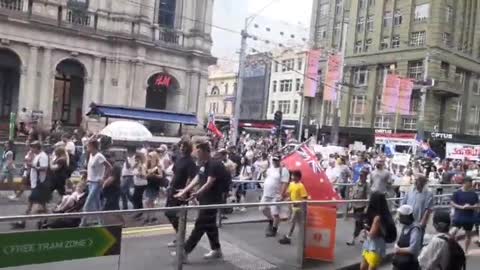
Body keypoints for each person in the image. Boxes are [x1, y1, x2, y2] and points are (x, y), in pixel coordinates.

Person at [174, 142, 230, 262]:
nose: (196, 154)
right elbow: (198, 178)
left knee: (200, 225)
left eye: (198, 152)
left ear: (205, 151)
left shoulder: (215, 164)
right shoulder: (204, 164)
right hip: (206, 199)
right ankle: (217, 249)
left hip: (213, 199)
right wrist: (185, 190)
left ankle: (184, 251)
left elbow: (210, 182)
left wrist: (197, 193)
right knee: (210, 225)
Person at [165, 140, 197, 247]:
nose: (182, 148)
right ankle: (179, 236)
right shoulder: (179, 159)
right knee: (168, 213)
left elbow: (190, 178)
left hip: (181, 192)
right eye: (181, 146)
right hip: (173, 189)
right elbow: (174, 173)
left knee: (176, 214)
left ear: (189, 148)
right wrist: (169, 185)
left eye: (184, 146)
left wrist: (185, 191)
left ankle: (180, 237)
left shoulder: (190, 162)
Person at [79, 139, 111, 227]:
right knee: (97, 204)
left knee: (88, 203)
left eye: (88, 146)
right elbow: (92, 168)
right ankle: (101, 223)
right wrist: (85, 172)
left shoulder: (99, 156)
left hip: (97, 183)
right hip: (90, 182)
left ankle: (83, 223)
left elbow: (109, 167)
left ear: (93, 146)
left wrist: (103, 178)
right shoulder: (90, 155)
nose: (87, 148)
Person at [361, 192, 394, 270]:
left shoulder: (377, 218)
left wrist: (365, 232)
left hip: (373, 246)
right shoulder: (384, 214)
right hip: (376, 245)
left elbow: (372, 234)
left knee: (365, 267)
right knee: (367, 267)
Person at [260, 155, 290, 237]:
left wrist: (281, 194)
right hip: (266, 193)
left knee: (275, 212)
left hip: (275, 195)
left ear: (279, 160)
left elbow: (285, 183)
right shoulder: (270, 169)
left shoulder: (283, 170)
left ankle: (274, 229)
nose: (274, 161)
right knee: (262, 209)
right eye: (273, 160)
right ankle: (271, 220)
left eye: (276, 160)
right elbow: (267, 177)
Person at [450, 176, 479, 254]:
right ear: (465, 182)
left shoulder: (474, 194)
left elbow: (477, 206)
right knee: (452, 233)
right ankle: (451, 248)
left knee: (468, 235)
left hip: (469, 217)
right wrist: (461, 207)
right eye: (469, 182)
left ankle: (465, 251)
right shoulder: (457, 193)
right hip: (458, 216)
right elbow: (452, 203)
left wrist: (470, 207)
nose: (471, 184)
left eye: (471, 182)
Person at [278, 170, 308, 245]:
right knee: (296, 223)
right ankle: (303, 237)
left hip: (298, 208)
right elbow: (288, 193)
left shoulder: (301, 186)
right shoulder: (291, 184)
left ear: (298, 177)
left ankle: (288, 237)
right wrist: (283, 197)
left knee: (293, 222)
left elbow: (304, 197)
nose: (292, 177)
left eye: (293, 176)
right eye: (292, 176)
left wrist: (298, 204)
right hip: (292, 206)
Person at [392, 205, 422, 270]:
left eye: (401, 215)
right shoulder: (404, 226)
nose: (398, 217)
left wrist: (398, 250)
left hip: (409, 265)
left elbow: (413, 249)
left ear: (406, 217)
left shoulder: (415, 229)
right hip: (400, 262)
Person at [347, 168, 370, 246]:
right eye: (360, 175)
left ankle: (353, 239)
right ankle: (366, 237)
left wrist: (366, 207)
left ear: (366, 176)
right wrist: (350, 204)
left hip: (362, 206)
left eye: (363, 175)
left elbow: (368, 197)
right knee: (362, 223)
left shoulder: (367, 185)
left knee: (358, 223)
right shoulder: (357, 183)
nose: (361, 176)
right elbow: (352, 193)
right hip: (355, 206)